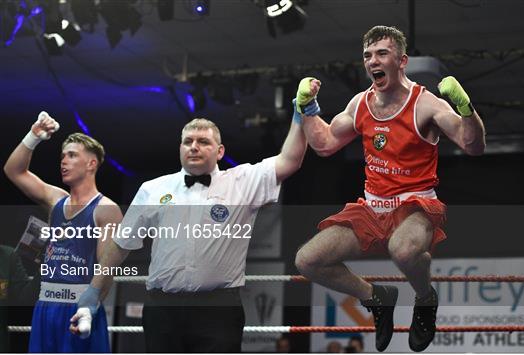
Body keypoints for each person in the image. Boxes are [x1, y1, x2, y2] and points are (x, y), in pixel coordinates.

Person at [294, 25, 486, 352]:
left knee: (404, 249)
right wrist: (308, 108)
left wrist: (467, 110)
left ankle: (425, 300)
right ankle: (377, 298)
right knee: (307, 261)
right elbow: (324, 144)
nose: (373, 61)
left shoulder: (426, 104)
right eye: (368, 55)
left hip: (416, 207)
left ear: (402, 61)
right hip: (372, 208)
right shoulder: (361, 103)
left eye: (382, 53)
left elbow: (472, 146)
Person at [84, 114, 308, 352]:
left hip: (218, 308)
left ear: (219, 151)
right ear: (180, 148)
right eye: (188, 141)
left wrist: (300, 118)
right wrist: (93, 290)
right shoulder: (152, 189)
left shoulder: (241, 182)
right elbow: (121, 244)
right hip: (162, 307)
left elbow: (290, 160)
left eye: (203, 141)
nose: (194, 147)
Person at [3, 112, 123, 352]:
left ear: (91, 163)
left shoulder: (105, 210)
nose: (63, 161)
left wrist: (89, 308)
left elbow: (106, 269)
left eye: (72, 155)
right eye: (62, 156)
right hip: (45, 305)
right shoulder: (56, 199)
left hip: (78, 308)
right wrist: (33, 137)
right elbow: (14, 171)